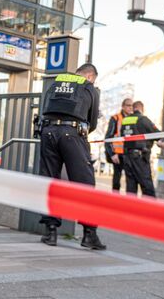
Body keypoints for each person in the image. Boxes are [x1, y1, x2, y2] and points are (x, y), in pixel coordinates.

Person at [38, 64, 105, 250]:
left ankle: (50, 232)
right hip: (72, 133)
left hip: (48, 131)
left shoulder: (57, 82)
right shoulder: (88, 87)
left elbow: (45, 107)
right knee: (84, 183)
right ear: (90, 76)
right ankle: (89, 234)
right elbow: (92, 121)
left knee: (50, 181)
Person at [120, 100, 160, 197]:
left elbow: (122, 135)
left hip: (127, 158)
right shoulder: (143, 119)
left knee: (131, 188)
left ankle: (131, 207)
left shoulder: (125, 120)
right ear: (141, 108)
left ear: (133, 108)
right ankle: (149, 207)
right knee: (147, 188)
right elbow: (158, 134)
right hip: (140, 158)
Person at [104, 98, 133, 193]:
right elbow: (108, 138)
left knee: (131, 180)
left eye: (132, 106)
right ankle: (114, 198)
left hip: (129, 154)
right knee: (117, 180)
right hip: (118, 155)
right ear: (123, 106)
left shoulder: (133, 118)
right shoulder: (115, 118)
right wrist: (112, 154)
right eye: (128, 105)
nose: (130, 107)